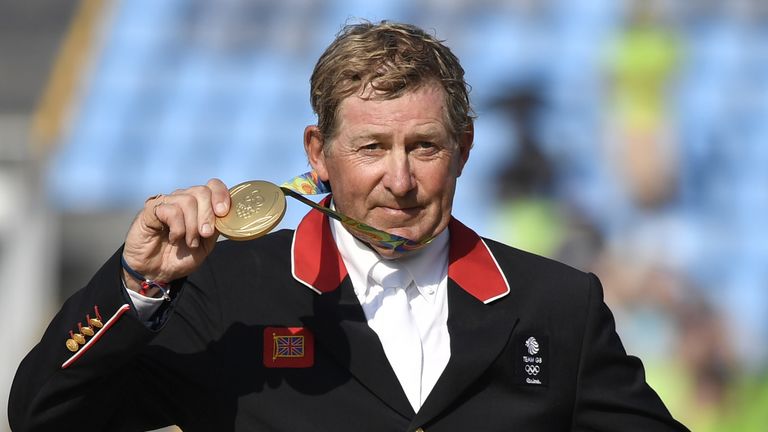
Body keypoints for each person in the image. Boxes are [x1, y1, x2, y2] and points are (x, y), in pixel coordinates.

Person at [9, 21, 688, 431]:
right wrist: (136, 287)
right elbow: (44, 417)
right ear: (317, 153)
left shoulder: (556, 305)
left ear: (465, 148)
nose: (399, 179)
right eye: (371, 148)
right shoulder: (227, 292)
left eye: (424, 146)